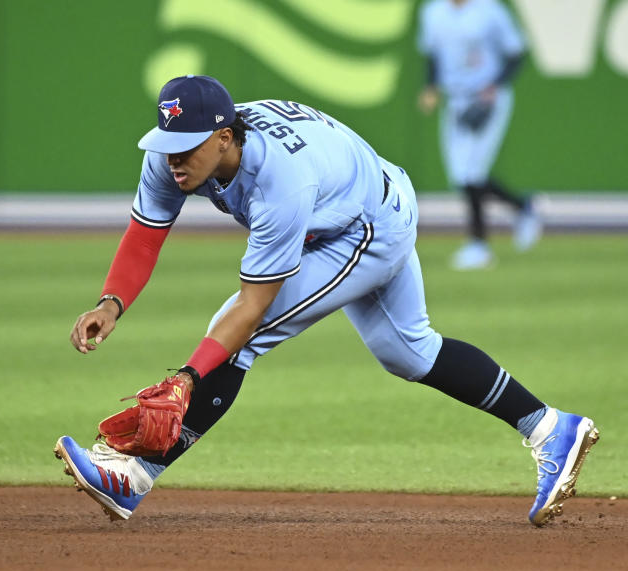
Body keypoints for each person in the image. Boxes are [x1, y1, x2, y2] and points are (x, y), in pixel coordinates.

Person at [56, 74, 598, 527]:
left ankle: (134, 473)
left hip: (367, 224)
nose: (174, 157)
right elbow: (145, 234)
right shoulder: (176, 152)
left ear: (224, 137)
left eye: (188, 144)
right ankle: (550, 426)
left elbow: (253, 307)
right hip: (362, 196)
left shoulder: (277, 180)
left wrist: (188, 377)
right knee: (408, 351)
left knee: (240, 334)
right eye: (167, 142)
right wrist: (112, 303)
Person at [417, 0, 542, 270]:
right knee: (461, 176)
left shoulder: (490, 10)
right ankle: (523, 207)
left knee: (471, 173)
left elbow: (516, 52)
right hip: (455, 99)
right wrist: (431, 86)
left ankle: (479, 245)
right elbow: (433, 55)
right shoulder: (433, 12)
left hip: (487, 99)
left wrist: (495, 85)